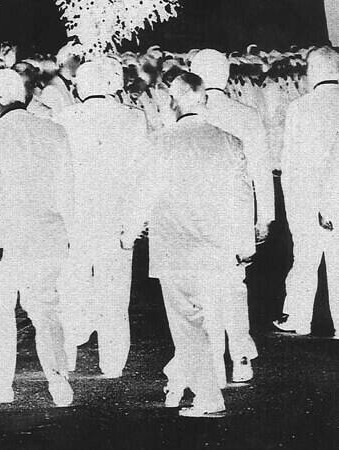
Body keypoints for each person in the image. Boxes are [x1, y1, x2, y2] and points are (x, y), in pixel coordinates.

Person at [122, 72, 255, 415]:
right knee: (212, 316)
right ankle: (190, 379)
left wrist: (128, 232)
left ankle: (207, 396)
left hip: (175, 247)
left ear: (172, 101)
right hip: (217, 245)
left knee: (188, 325)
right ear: (204, 100)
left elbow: (143, 193)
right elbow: (242, 196)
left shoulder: (159, 142)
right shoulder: (230, 142)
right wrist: (245, 243)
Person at [0, 69, 74, 407]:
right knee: (46, 311)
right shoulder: (55, 131)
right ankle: (59, 381)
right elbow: (68, 190)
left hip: (5, 240)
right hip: (48, 233)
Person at [57, 58, 150, 378]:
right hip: (116, 221)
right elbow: (141, 177)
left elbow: (59, 175)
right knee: (115, 294)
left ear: (79, 87)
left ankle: (66, 359)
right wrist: (135, 225)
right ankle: (112, 363)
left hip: (76, 221)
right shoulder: (133, 118)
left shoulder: (65, 118)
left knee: (71, 291)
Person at [189, 49, 261, 383]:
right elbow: (260, 170)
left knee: (205, 289)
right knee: (234, 286)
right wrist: (265, 216)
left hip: (198, 216)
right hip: (236, 213)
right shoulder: (246, 115)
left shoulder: (188, 116)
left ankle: (215, 362)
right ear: (227, 74)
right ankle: (241, 356)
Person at [279, 46, 339, 335]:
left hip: (307, 196)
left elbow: (290, 162)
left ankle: (299, 318)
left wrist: (292, 201)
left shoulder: (300, 107)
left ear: (314, 71)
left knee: (304, 259)